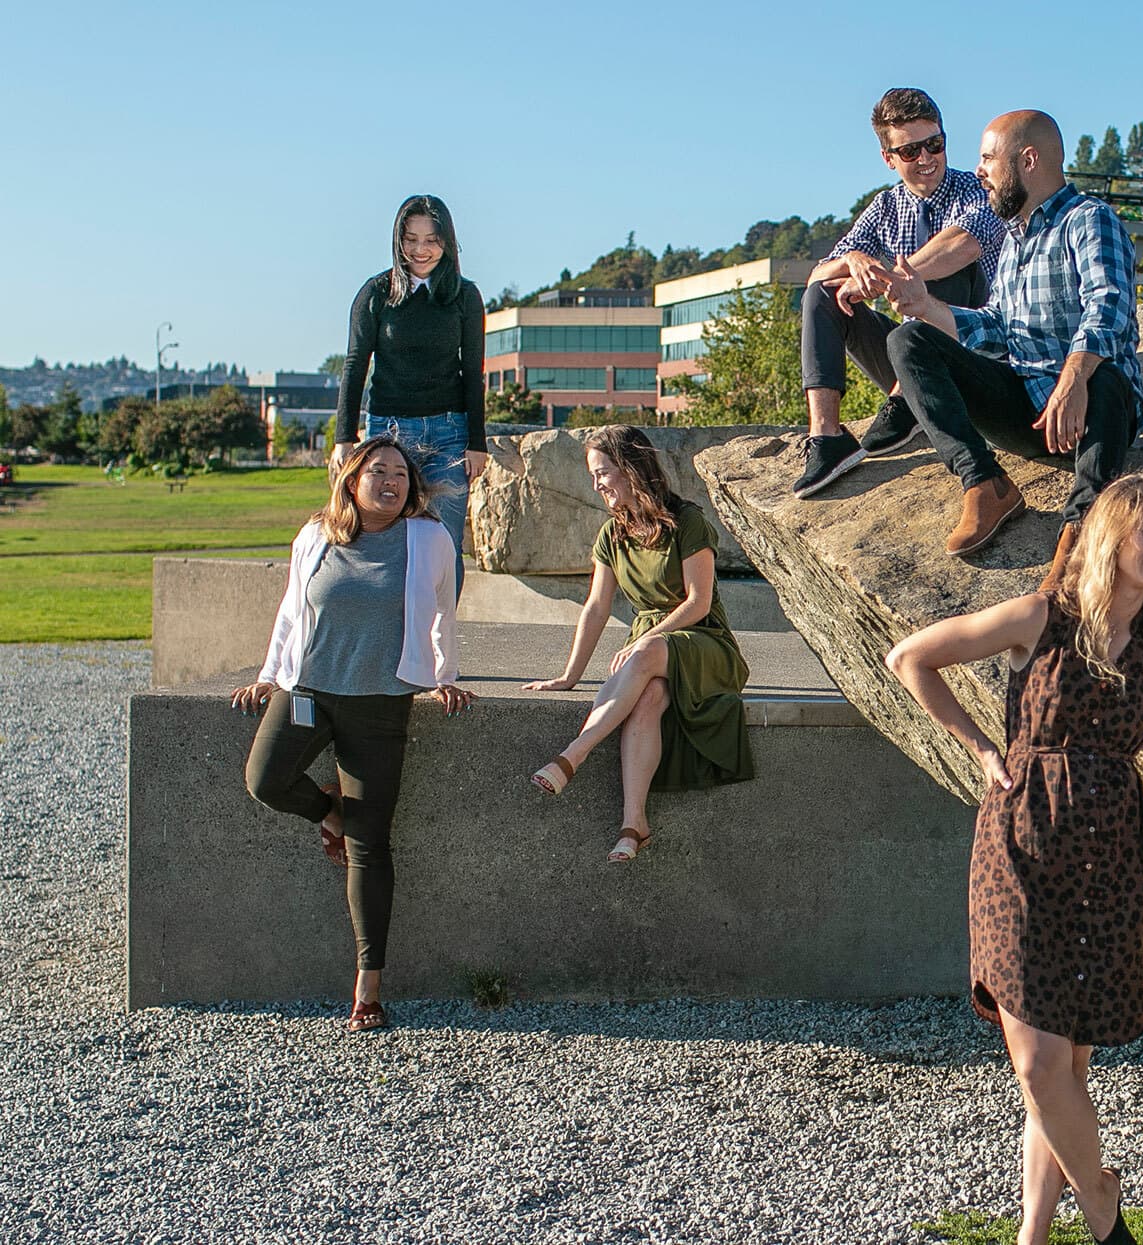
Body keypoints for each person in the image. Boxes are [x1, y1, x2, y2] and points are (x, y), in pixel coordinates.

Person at [886, 473, 1143, 1245]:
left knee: (1064, 1074)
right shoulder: (1038, 616)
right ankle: (1104, 1204)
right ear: (1112, 534)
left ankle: (1033, 1234)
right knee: (1039, 1063)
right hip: (1018, 847)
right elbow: (909, 658)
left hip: (1108, 856)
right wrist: (982, 745)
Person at [232, 435, 475, 1034]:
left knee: (371, 843)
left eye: (400, 474)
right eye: (377, 472)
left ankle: (368, 983)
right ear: (351, 480)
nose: (390, 482)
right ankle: (328, 812)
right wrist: (268, 677)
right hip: (307, 690)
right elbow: (292, 610)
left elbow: (443, 613)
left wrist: (444, 676)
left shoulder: (429, 539)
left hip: (380, 702)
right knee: (264, 781)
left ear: (411, 488)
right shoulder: (316, 536)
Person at [883, 110, 1143, 590]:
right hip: (1027, 412)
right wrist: (925, 307)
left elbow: (1110, 305)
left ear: (1028, 160)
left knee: (1107, 376)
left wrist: (1073, 378)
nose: (979, 171)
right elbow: (995, 327)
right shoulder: (1012, 241)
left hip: (1093, 414)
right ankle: (985, 483)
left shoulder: (1089, 220)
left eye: (988, 159)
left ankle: (1083, 528)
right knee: (907, 339)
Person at [524, 425, 753, 862]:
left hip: (704, 644)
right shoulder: (612, 534)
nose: (596, 484)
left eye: (603, 472)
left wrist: (647, 638)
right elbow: (595, 608)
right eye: (593, 475)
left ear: (631, 469)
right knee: (647, 699)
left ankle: (574, 755)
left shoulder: (688, 522)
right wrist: (569, 675)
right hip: (649, 654)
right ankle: (634, 825)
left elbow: (699, 603)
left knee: (647, 654)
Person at [793, 87, 1006, 499]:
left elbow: (963, 245)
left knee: (933, 269)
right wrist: (854, 259)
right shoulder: (885, 208)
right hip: (910, 353)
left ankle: (907, 400)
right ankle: (827, 437)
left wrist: (885, 277)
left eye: (934, 144)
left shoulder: (978, 191)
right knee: (825, 293)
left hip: (977, 353)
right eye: (910, 152)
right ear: (889, 159)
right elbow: (817, 276)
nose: (926, 159)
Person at [332, 194, 486, 592]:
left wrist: (477, 443)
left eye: (431, 239)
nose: (421, 250)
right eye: (411, 239)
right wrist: (344, 438)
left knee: (443, 545)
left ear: (447, 241)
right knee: (386, 537)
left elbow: (473, 372)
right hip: (389, 434)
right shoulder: (377, 293)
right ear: (398, 241)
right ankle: (394, 643)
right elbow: (355, 365)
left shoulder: (465, 297)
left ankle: (438, 646)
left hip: (450, 434)